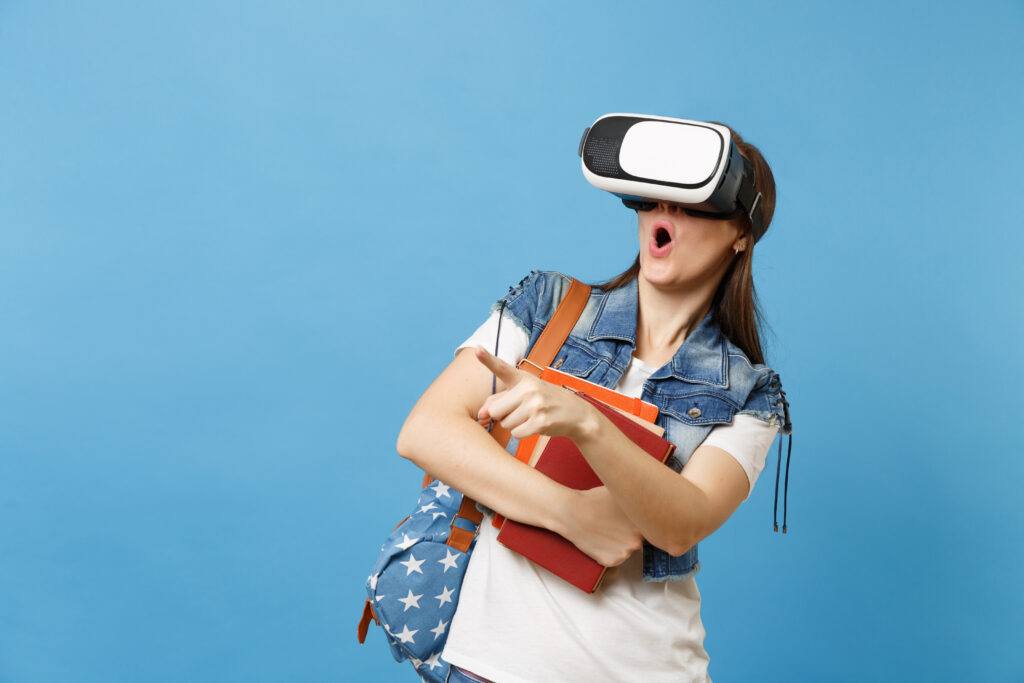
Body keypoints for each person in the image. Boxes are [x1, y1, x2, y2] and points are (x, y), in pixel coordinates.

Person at [395, 123, 792, 683]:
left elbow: (683, 524)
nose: (664, 214)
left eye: (691, 205)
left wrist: (587, 421)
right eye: (652, 199)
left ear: (741, 233)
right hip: (487, 668)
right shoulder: (547, 307)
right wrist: (570, 514)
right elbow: (425, 432)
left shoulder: (751, 391)